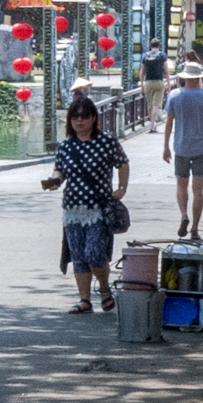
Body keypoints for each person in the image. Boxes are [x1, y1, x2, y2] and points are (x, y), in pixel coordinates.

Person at [39, 92, 131, 312]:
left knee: (94, 252)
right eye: (75, 116)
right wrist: (54, 181)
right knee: (78, 256)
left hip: (98, 208)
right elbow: (60, 170)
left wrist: (121, 188)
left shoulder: (106, 142)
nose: (79, 120)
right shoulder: (66, 146)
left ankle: (105, 289)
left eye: (84, 116)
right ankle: (85, 300)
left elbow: (123, 163)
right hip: (72, 209)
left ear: (93, 118)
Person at [160, 61, 203, 239]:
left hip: (181, 146)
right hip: (201, 146)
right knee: (198, 189)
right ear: (199, 78)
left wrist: (166, 146)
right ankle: (194, 227)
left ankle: (184, 214)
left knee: (181, 184)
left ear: (184, 78)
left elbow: (169, 122)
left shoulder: (174, 96)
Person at [139, 44, 167, 126]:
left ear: (151, 46)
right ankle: (153, 124)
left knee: (150, 104)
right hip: (159, 81)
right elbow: (166, 72)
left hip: (148, 82)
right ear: (159, 46)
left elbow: (142, 72)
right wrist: (168, 84)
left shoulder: (145, 55)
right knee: (156, 104)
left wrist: (142, 85)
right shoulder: (162, 55)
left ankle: (151, 122)